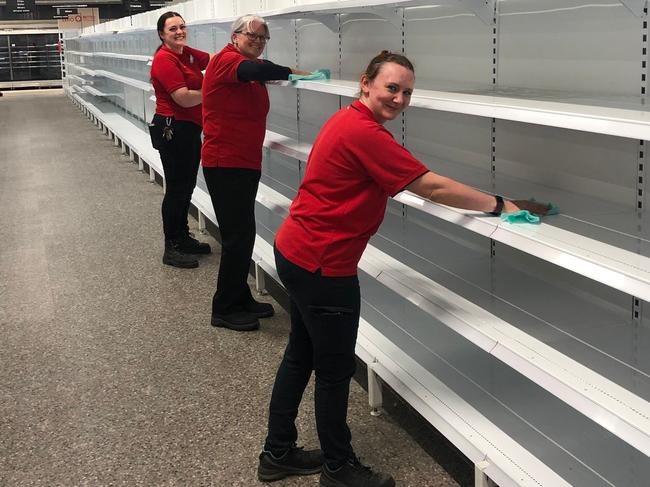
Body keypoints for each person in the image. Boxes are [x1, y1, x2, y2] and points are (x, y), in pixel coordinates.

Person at [257, 51, 549, 487]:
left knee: (301, 355)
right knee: (334, 372)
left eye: (407, 91)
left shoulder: (347, 120)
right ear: (366, 83)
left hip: (298, 250)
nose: (399, 97)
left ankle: (277, 452)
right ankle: (338, 468)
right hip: (324, 265)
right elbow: (431, 186)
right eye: (392, 87)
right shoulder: (365, 133)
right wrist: (501, 204)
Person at [201, 14, 311, 332]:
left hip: (242, 162)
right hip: (226, 163)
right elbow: (255, 69)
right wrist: (299, 74)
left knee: (243, 234)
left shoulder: (242, 63)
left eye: (264, 38)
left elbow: (256, 70)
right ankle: (223, 307)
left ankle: (240, 296)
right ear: (234, 36)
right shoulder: (228, 60)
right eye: (252, 36)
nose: (259, 42)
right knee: (238, 237)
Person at [149, 11, 211, 269]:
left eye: (182, 27)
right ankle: (171, 246)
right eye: (172, 29)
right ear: (162, 34)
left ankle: (183, 237)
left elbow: (213, 60)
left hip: (188, 128)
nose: (179, 32)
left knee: (185, 186)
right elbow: (183, 98)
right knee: (176, 188)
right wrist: (214, 90)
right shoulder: (164, 60)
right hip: (172, 129)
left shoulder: (185, 53)